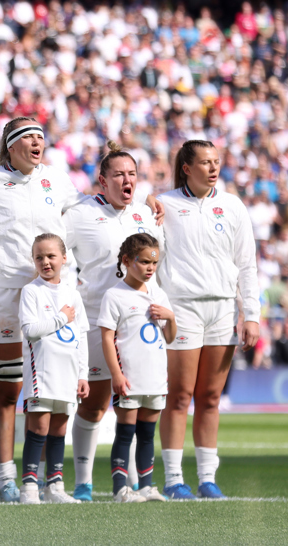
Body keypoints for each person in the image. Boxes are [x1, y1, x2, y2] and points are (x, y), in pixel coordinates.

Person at [0, 117, 82, 502]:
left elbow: (83, 219)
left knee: (56, 391)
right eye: (27, 137)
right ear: (10, 146)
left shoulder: (58, 180)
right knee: (9, 389)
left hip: (54, 296)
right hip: (9, 295)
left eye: (40, 137)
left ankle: (51, 480)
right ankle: (7, 479)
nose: (36, 142)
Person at [157, 140, 259, 500]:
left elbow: (247, 265)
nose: (213, 168)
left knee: (211, 397)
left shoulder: (232, 205)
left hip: (223, 310)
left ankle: (207, 478)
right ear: (187, 168)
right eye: (205, 162)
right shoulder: (164, 205)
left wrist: (252, 315)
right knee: (179, 396)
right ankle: (172, 479)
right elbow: (152, 256)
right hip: (181, 309)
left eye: (216, 161)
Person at [63, 142, 162, 501]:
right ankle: (83, 483)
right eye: (118, 174)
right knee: (94, 403)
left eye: (132, 174)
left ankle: (135, 484)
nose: (127, 180)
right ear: (101, 181)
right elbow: (55, 254)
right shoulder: (79, 214)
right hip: (95, 321)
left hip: (138, 325)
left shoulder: (145, 214)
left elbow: (156, 267)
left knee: (134, 403)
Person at [99, 233, 174, 503]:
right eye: (144, 262)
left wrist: (170, 317)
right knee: (126, 431)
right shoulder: (114, 295)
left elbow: (169, 336)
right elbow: (107, 337)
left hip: (155, 377)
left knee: (147, 434)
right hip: (129, 377)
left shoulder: (159, 294)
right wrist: (116, 375)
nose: (150, 268)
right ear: (127, 261)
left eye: (154, 262)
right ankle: (120, 489)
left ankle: (146, 486)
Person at [17, 233, 88, 504]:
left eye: (51, 256)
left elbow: (80, 336)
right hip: (42, 372)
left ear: (64, 258)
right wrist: (61, 318)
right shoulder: (31, 291)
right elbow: (31, 331)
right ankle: (29, 488)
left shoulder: (73, 295)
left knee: (59, 429)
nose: (45, 262)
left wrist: (83, 374)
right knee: (39, 428)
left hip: (68, 372)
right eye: (39, 257)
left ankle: (55, 487)